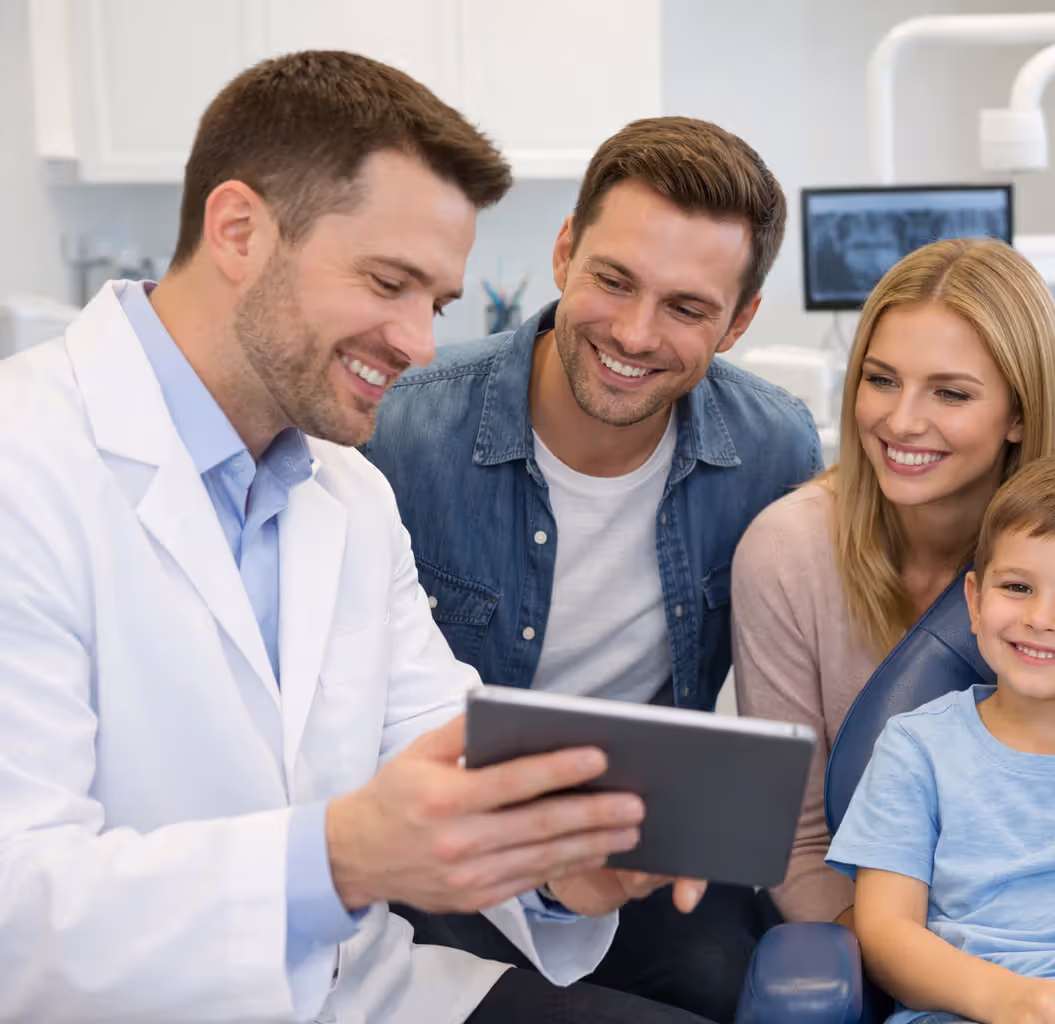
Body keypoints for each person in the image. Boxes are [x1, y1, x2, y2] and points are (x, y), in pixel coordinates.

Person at [0, 51, 716, 1024]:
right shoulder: (26, 464)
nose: (422, 342)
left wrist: (562, 863)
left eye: (438, 303)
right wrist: (334, 858)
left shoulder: (349, 489)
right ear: (240, 230)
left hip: (367, 993)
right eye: (390, 282)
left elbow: (444, 742)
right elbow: (18, 912)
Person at [361, 116, 821, 1021]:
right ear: (566, 253)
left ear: (740, 322)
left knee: (725, 986)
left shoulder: (775, 446)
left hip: (639, 840)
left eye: (687, 307)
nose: (636, 333)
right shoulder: (398, 429)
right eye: (614, 281)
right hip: (446, 840)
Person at [733, 236, 1055, 926]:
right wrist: (928, 975)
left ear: (1018, 413)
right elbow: (798, 844)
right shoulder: (788, 552)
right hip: (870, 934)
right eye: (881, 379)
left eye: (950, 392)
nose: (902, 421)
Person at [826, 454, 1055, 1024]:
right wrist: (1006, 999)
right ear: (974, 601)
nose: (1041, 618)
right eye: (1017, 586)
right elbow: (886, 934)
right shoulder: (919, 747)